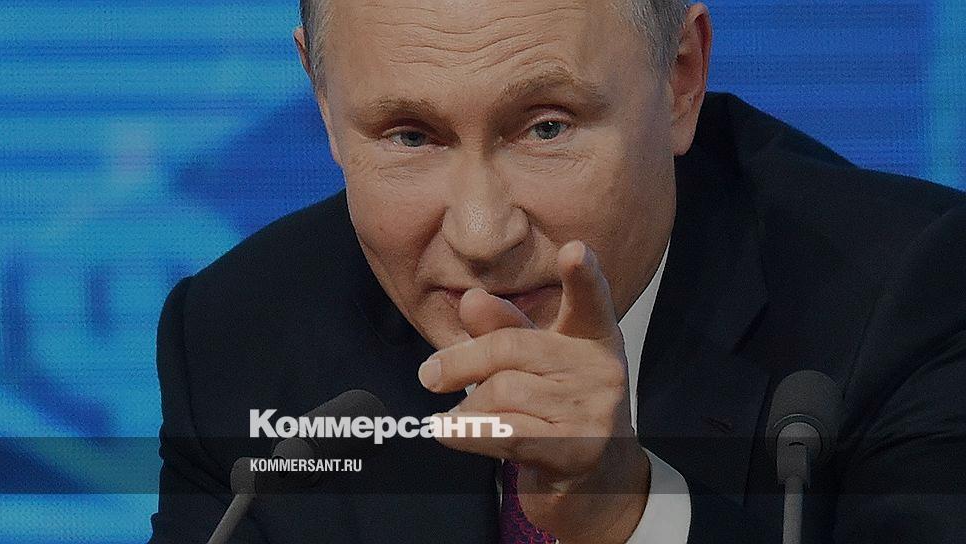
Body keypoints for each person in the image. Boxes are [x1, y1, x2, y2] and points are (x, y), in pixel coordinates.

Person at [149, 1, 966, 542]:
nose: (481, 235)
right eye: (410, 136)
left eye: (546, 127)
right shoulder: (236, 332)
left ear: (680, 78)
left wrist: (630, 515)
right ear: (325, 104)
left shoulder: (914, 291)